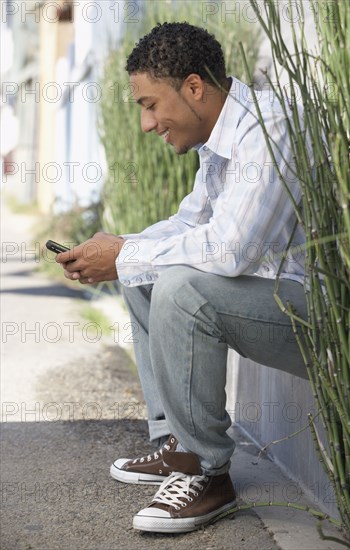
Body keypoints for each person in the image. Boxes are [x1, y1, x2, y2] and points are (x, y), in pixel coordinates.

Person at [57, 22, 310, 533]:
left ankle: (207, 472)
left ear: (195, 87)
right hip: (272, 303)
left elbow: (230, 250)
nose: (148, 124)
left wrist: (125, 253)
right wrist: (118, 249)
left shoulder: (269, 129)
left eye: (150, 104)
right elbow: (190, 224)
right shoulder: (219, 144)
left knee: (177, 283)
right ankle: (178, 445)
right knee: (145, 274)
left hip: (322, 320)